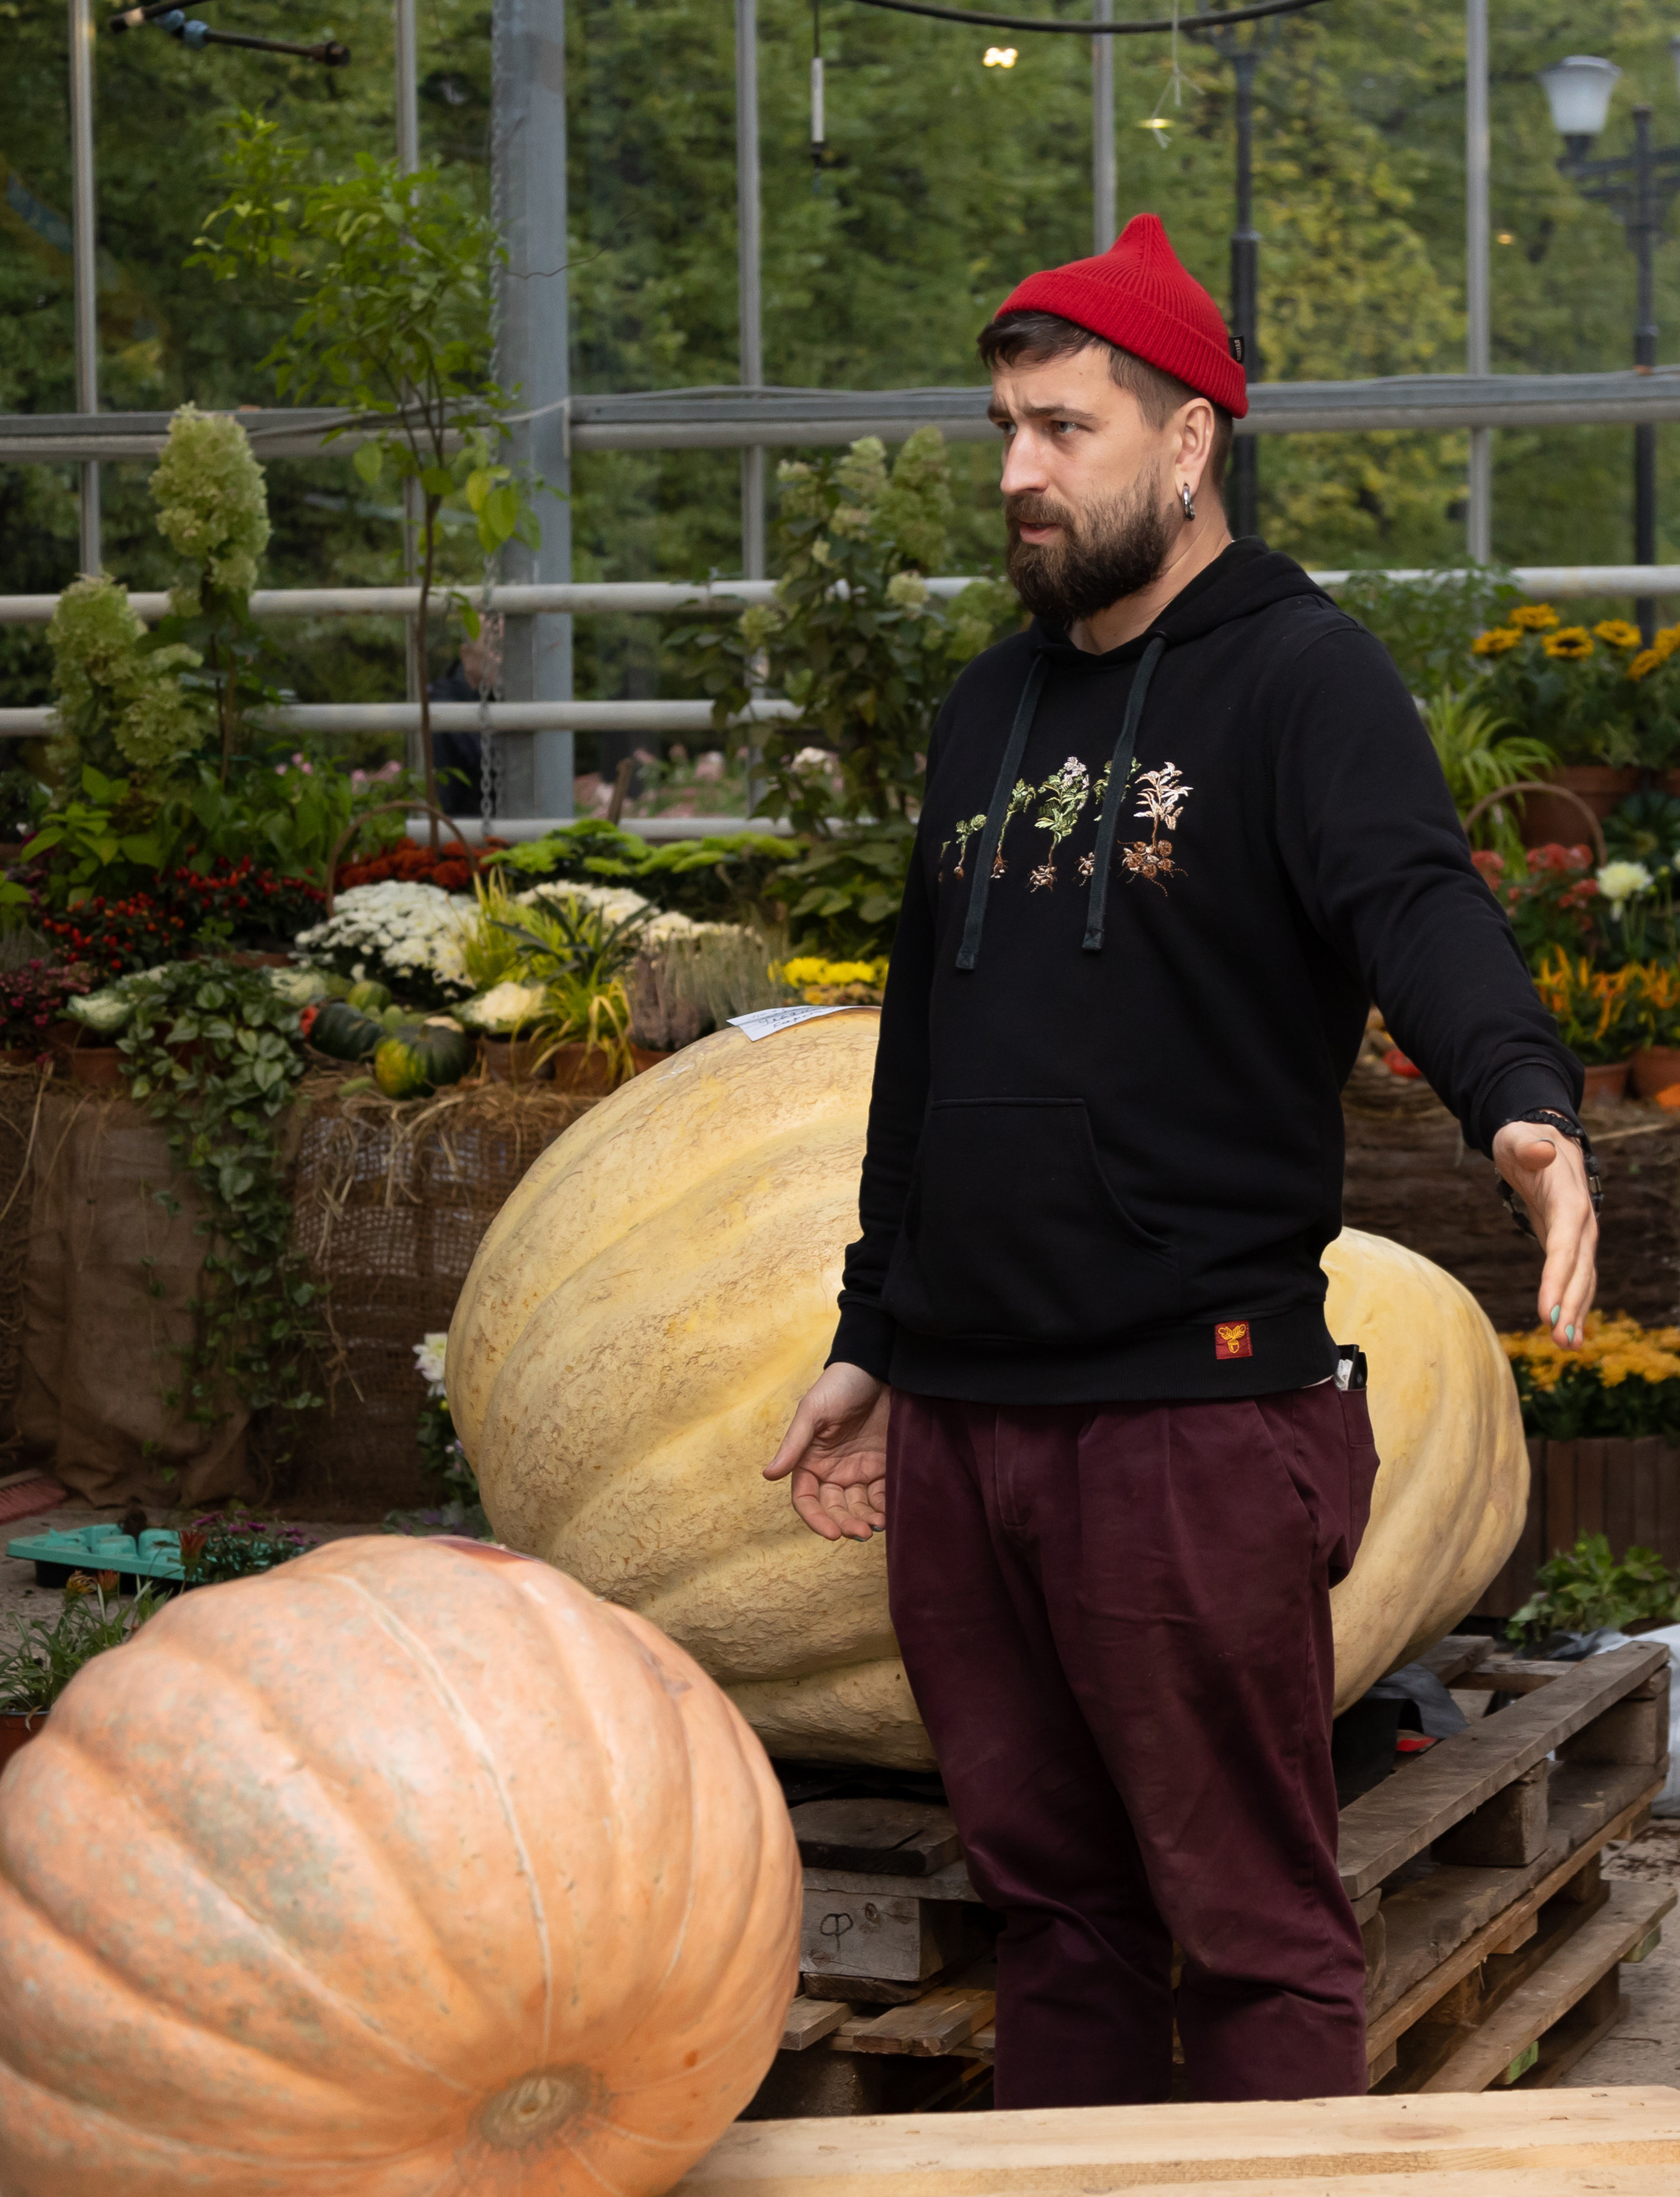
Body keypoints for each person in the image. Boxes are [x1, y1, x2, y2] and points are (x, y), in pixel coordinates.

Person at [762, 213, 1599, 2110]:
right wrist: (870, 1333)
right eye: (1002, 426)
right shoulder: (987, 708)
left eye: (1059, 428)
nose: (1013, 473)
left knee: (1246, 1919)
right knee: (1049, 1905)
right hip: (963, 1425)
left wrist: (1515, 1101)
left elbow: (1413, 899)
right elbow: (929, 1048)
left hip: (1183, 1420)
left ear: (1185, 440)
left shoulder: (1296, 683)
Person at [430, 620, 503, 816]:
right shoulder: (444, 714)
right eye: (496, 649)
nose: (502, 660)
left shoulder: (510, 698)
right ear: (467, 656)